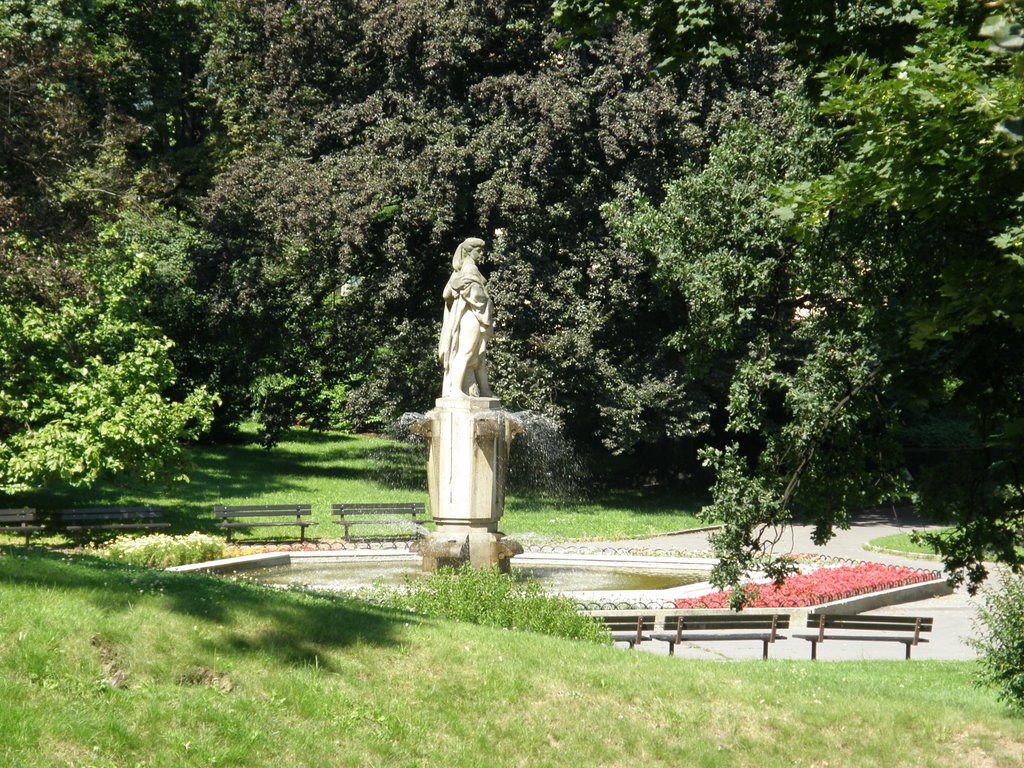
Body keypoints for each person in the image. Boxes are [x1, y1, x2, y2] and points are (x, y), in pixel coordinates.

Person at [438, 237, 494, 398]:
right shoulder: (469, 268)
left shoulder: (460, 269)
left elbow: (446, 294)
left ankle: (483, 390)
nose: (481, 253)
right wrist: (486, 301)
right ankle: (456, 389)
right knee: (467, 352)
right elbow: (477, 296)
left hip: (468, 315)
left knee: (476, 355)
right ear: (470, 251)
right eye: (479, 250)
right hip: (472, 315)